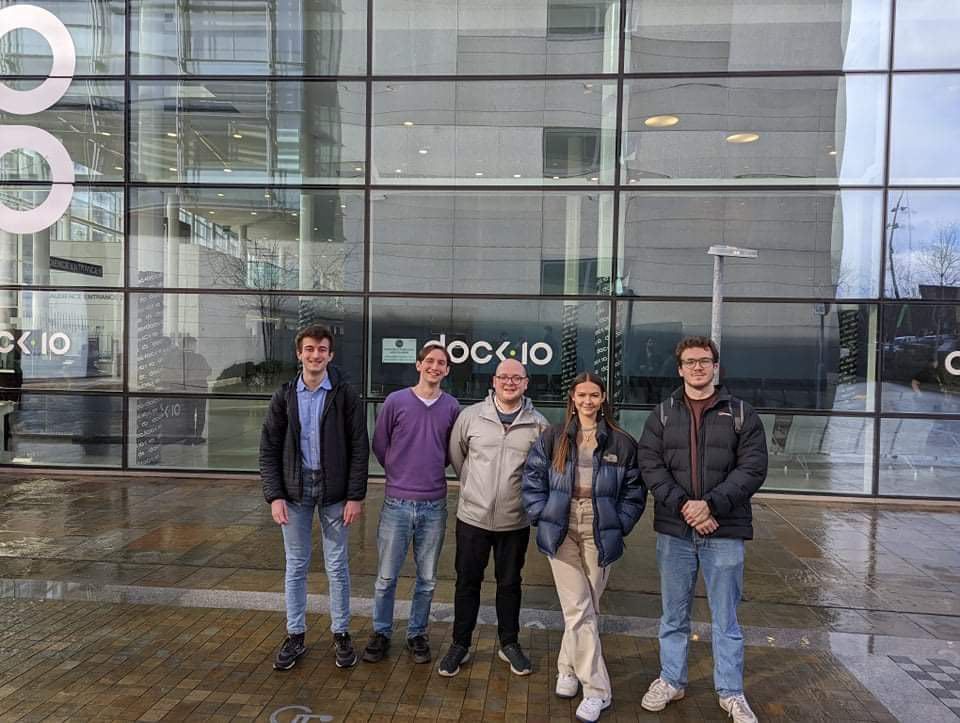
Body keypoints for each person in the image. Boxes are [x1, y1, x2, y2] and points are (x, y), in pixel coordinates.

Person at [637, 336, 768, 723]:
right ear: (680, 369)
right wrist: (687, 508)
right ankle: (671, 680)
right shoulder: (662, 414)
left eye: (704, 361)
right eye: (690, 361)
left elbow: (752, 469)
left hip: (724, 531)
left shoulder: (741, 413)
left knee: (726, 619)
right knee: (673, 615)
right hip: (675, 533)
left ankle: (731, 692)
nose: (698, 367)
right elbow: (650, 466)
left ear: (715, 366)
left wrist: (710, 505)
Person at [522, 372, 646, 723]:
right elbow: (532, 478)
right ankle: (597, 691)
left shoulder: (621, 442)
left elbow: (635, 491)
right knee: (578, 607)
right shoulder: (554, 436)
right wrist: (541, 513)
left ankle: (567, 667)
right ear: (572, 399)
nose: (588, 401)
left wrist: (620, 522)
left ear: (603, 398)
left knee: (585, 608)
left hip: (599, 526)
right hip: (561, 526)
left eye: (594, 395)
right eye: (582, 395)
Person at [259, 324, 368, 671]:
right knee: (296, 565)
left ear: (330, 355)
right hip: (294, 491)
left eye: (322, 349)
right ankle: (295, 635)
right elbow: (268, 449)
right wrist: (275, 496)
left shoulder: (345, 395)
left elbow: (359, 447)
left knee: (337, 565)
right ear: (299, 354)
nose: (315, 355)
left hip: (335, 491)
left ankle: (341, 633)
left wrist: (355, 496)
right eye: (309, 349)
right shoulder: (284, 396)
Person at [439, 358, 548, 678]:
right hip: (472, 518)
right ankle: (460, 644)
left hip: (514, 522)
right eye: (504, 377)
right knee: (467, 583)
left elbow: (539, 472)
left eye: (516, 378)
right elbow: (457, 456)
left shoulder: (538, 425)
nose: (509, 382)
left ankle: (509, 643)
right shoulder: (471, 417)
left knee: (510, 584)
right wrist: (475, 488)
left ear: (526, 383)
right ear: (493, 381)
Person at [365, 343, 460, 665]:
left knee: (427, 578)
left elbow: (450, 451)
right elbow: (380, 444)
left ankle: (417, 633)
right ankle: (381, 632)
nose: (435, 367)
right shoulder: (396, 401)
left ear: (447, 370)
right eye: (429, 361)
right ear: (419, 365)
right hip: (397, 502)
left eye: (441, 363)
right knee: (386, 577)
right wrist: (398, 471)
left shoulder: (452, 407)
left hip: (434, 503)